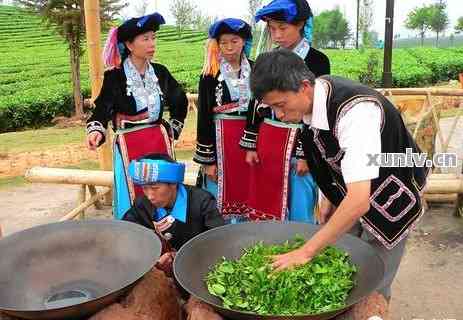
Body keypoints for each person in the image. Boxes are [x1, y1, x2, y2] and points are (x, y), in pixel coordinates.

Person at [250, 49, 429, 303]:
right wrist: (329, 198)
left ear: (303, 86)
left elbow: (358, 202)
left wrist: (304, 252)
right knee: (343, 259)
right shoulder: (311, 101)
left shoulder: (356, 113)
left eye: (280, 105)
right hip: (359, 187)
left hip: (393, 191)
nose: (278, 115)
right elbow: (331, 157)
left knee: (373, 281)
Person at [86, 13, 188, 219]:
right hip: (129, 144)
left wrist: (172, 129)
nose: (152, 43)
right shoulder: (115, 76)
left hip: (158, 142)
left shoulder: (160, 72)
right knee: (134, 192)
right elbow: (102, 108)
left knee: (163, 191)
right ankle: (136, 236)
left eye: (153, 37)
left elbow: (180, 100)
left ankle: (168, 236)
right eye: (145, 39)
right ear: (130, 45)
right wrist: (96, 130)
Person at [241, 0, 330, 224]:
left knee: (301, 198)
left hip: (300, 136)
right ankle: (271, 243)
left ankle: (302, 245)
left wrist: (304, 154)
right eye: (272, 29)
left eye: (283, 28)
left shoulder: (317, 61)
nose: (277, 35)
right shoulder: (265, 60)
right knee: (268, 197)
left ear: (300, 24)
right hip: (270, 138)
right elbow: (256, 102)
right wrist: (252, 143)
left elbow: (317, 107)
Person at [194, 18, 282, 222]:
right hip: (221, 139)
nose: (229, 47)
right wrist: (208, 160)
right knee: (221, 187)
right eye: (224, 42)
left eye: (234, 41)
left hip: (251, 139)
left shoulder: (256, 69)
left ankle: (249, 230)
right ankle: (219, 231)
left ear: (244, 41)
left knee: (250, 186)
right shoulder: (209, 74)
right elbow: (204, 116)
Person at [122, 153, 225, 320]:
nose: (149, 195)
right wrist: (153, 253)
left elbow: (219, 242)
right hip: (162, 275)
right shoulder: (143, 205)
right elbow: (126, 234)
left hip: (198, 274)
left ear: (174, 184)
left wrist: (180, 257)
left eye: (155, 188)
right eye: (144, 188)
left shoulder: (201, 202)